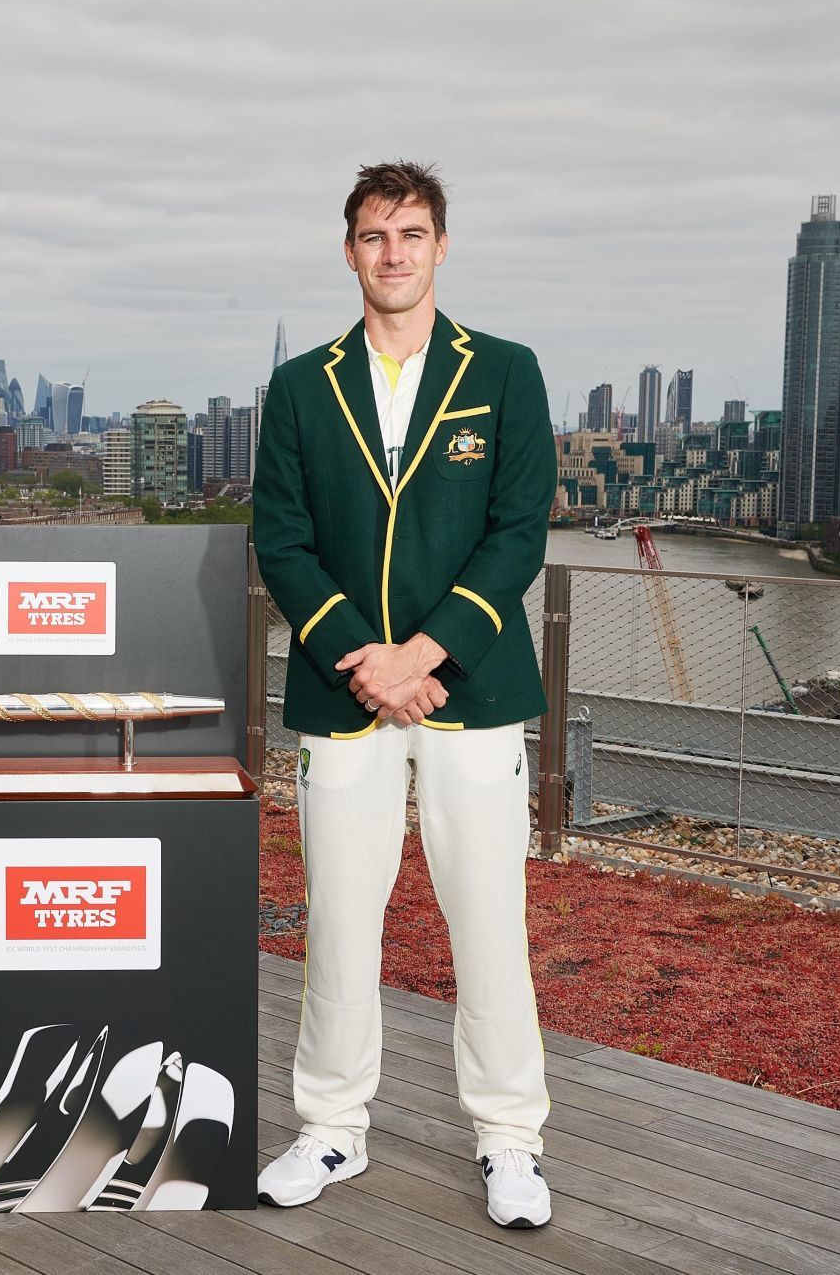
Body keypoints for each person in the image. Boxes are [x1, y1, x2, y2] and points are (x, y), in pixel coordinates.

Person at [252, 163, 556, 1228]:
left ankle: (510, 1140)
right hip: (346, 700)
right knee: (339, 922)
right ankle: (332, 1124)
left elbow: (519, 532)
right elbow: (280, 540)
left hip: (471, 693)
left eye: (413, 234)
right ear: (349, 252)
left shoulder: (507, 373)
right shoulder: (300, 385)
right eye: (375, 236)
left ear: (440, 248)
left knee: (491, 926)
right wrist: (362, 659)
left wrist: (425, 653)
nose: (394, 253)